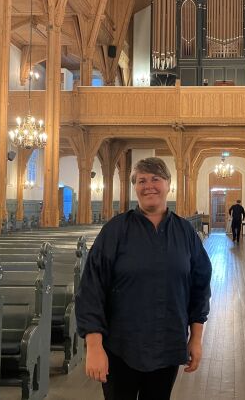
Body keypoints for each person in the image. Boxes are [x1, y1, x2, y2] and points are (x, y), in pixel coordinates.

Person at [75, 157, 212, 400]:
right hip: (120, 346)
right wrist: (94, 347)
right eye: (142, 181)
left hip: (167, 343)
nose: (149, 185)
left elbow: (199, 288)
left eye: (155, 179)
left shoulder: (185, 232)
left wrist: (196, 339)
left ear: (168, 184)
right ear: (135, 187)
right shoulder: (115, 230)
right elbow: (91, 288)